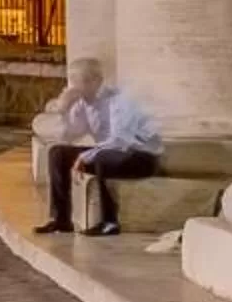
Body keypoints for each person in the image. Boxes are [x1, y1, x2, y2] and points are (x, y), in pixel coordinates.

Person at [37, 62, 165, 236]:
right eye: (73, 80)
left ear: (97, 80)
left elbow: (120, 140)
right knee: (57, 153)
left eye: (82, 80)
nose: (76, 86)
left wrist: (85, 156)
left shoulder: (117, 100)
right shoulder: (82, 103)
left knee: (100, 157)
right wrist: (63, 110)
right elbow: (69, 135)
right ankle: (61, 220)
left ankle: (110, 222)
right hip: (109, 153)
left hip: (141, 156)